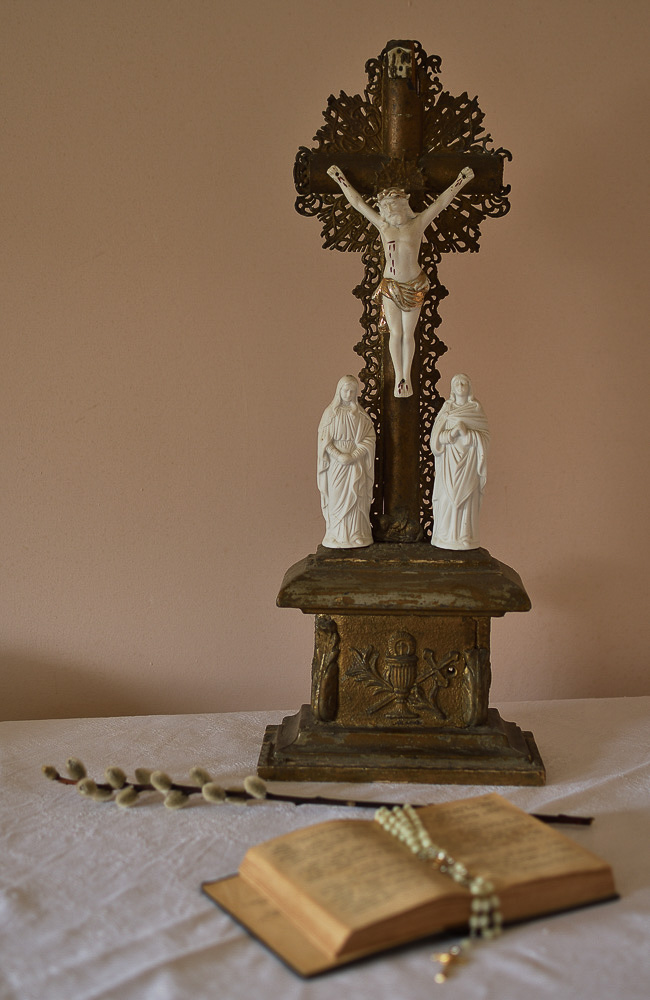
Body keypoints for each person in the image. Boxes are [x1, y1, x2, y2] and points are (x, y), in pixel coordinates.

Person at [326, 164, 474, 398]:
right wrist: (339, 178)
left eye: (392, 205)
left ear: (403, 205)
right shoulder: (384, 226)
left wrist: (460, 180)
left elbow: (440, 204)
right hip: (390, 285)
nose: (387, 210)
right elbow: (358, 204)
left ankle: (406, 376)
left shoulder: (417, 224)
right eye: (385, 207)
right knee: (395, 333)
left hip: (414, 284)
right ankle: (399, 379)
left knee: (408, 333)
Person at [429, 374, 489, 550]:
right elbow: (435, 440)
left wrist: (468, 435)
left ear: (470, 387)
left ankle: (465, 536)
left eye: (464, 383)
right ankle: (445, 535)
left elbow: (486, 438)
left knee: (467, 497)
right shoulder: (447, 410)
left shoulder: (476, 410)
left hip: (469, 462)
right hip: (449, 462)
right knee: (447, 496)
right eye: (457, 383)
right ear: (452, 388)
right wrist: (452, 433)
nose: (461, 386)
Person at [318, 375, 375, 548]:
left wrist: (354, 455)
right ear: (339, 391)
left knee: (356, 496)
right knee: (337, 498)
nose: (349, 394)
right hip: (337, 464)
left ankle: (357, 534)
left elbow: (369, 438)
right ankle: (336, 534)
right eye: (346, 390)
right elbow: (324, 441)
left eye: (352, 391)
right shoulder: (330, 414)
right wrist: (338, 456)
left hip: (356, 462)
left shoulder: (360, 415)